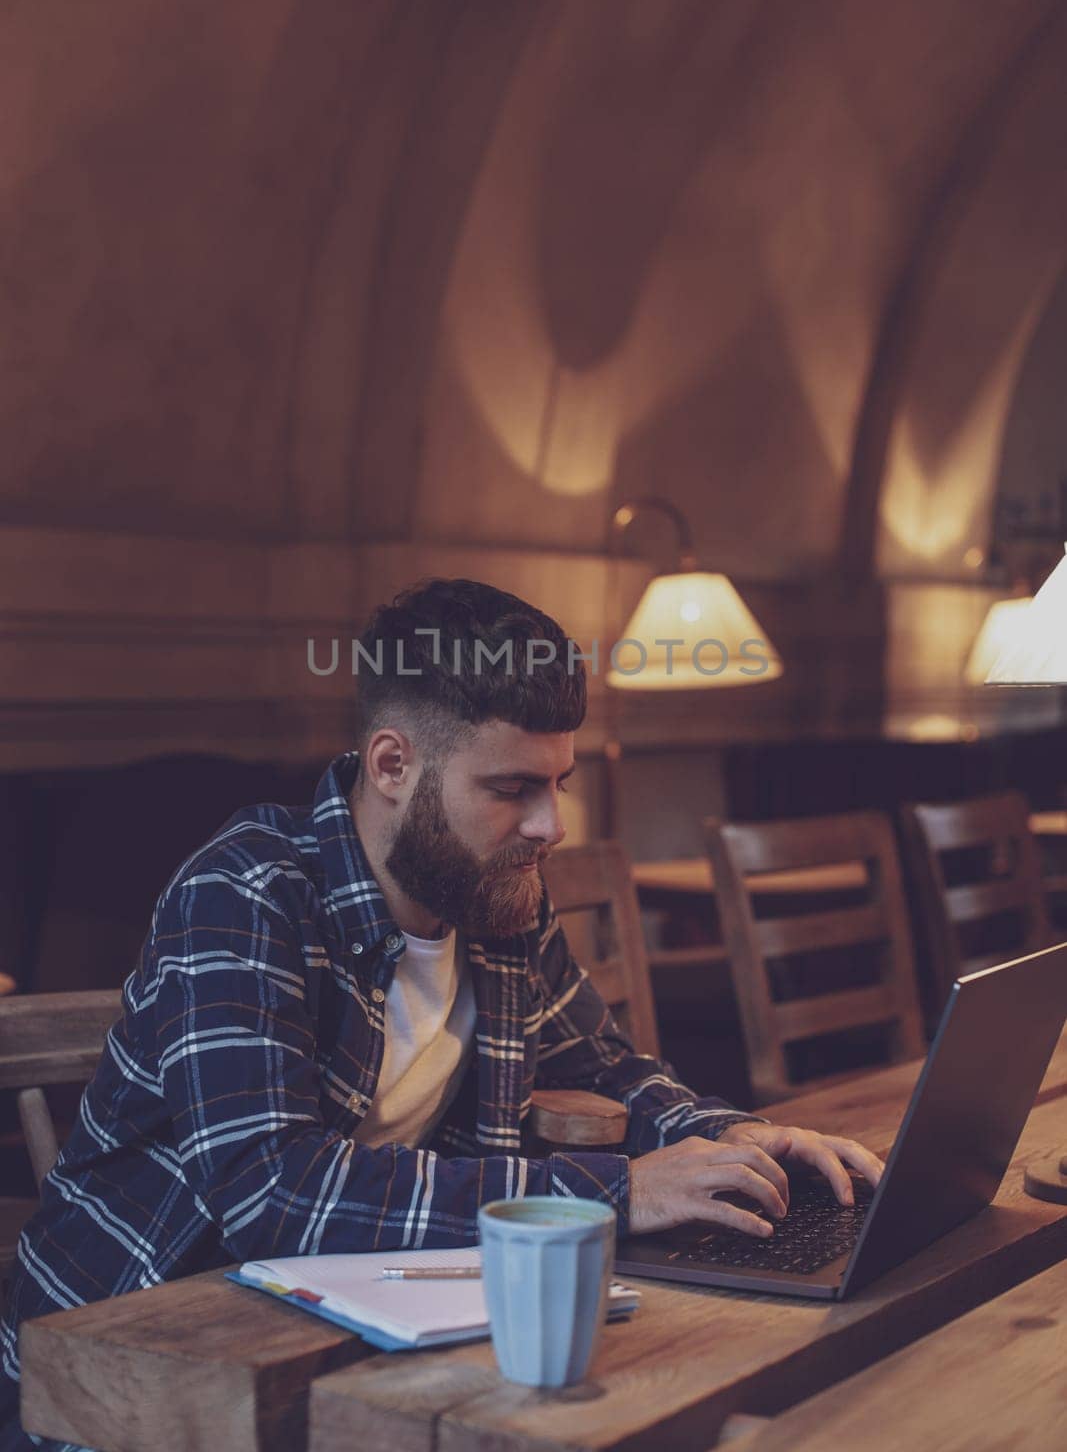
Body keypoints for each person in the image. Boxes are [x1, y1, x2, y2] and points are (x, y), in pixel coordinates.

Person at [0, 578, 881, 1449]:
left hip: (362, 1324)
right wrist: (614, 1194)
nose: (551, 825)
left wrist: (734, 1139)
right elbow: (274, 1194)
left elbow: (598, 1067)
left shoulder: (494, 892)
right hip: (130, 1369)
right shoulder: (246, 892)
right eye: (511, 788)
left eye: (559, 783)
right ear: (392, 766)